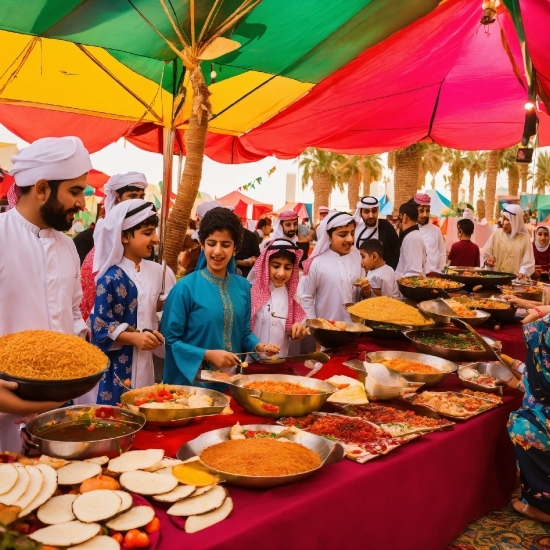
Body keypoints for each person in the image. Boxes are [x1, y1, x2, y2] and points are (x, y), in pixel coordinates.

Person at [0, 135, 92, 450]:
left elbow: (74, 310)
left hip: (60, 411)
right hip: (5, 415)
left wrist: (82, 341)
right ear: (41, 189)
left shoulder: (67, 246)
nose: (82, 202)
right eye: (75, 191)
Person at [162, 207, 280, 386]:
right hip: (192, 388)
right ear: (202, 245)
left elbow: (243, 333)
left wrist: (259, 346)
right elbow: (170, 341)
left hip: (231, 384)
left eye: (225, 244)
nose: (218, 251)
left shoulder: (242, 286)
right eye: (211, 243)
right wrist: (208, 355)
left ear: (235, 248)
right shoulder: (185, 288)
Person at [88, 200, 176, 405]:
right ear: (124, 236)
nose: (155, 238)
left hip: (146, 364)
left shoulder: (159, 272)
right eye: (147, 233)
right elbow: (98, 325)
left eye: (154, 231)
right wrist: (134, 338)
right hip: (117, 367)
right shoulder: (110, 278)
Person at [80, 172, 148, 321]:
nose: (137, 202)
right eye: (132, 196)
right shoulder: (106, 228)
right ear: (118, 196)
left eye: (141, 197)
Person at [507, 307, 550, 522]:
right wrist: (508, 362)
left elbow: (542, 387)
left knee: (522, 425)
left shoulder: (544, 329)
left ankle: (542, 507)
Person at [250, 239, 308, 359]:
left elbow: (294, 327)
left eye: (287, 268)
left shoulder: (293, 297)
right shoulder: (251, 293)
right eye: (276, 266)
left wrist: (298, 329)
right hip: (251, 361)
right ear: (266, 265)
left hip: (279, 362)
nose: (281, 273)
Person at [299, 211, 362, 321]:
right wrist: (315, 326)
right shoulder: (316, 263)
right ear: (329, 236)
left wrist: (366, 292)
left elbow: (361, 293)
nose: (350, 239)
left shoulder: (358, 257)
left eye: (352, 233)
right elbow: (306, 298)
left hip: (354, 329)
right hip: (325, 330)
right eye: (343, 235)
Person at [484, 204, 535, 279]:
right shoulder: (496, 234)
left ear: (516, 220)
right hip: (495, 279)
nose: (502, 222)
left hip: (516, 282)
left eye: (507, 219)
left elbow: (528, 262)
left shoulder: (525, 239)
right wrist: (488, 260)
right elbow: (486, 254)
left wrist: (522, 273)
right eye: (502, 218)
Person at [353, 196, 400, 269]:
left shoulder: (386, 226)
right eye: (366, 211)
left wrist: (389, 270)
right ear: (360, 213)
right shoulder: (356, 230)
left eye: (374, 211)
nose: (371, 215)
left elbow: (396, 251)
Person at [410, 193, 446, 273]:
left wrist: (442, 271)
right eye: (421, 211)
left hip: (435, 274)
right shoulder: (410, 231)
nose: (425, 215)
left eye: (427, 211)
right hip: (417, 275)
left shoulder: (436, 230)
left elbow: (442, 253)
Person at [394, 202, 427, 279]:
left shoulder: (412, 238)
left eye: (400, 216)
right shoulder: (411, 236)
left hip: (407, 288)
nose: (399, 220)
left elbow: (413, 273)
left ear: (404, 217)